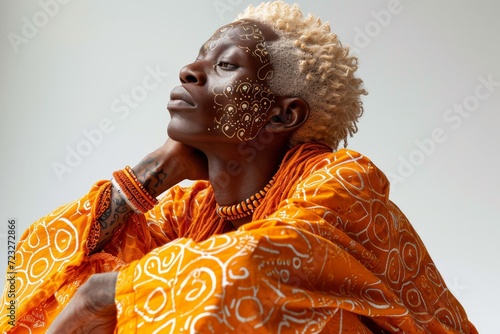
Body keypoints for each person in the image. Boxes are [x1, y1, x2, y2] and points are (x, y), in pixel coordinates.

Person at [1, 1, 476, 333]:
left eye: (226, 66)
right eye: (199, 57)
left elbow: (252, 269)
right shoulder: (196, 209)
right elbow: (24, 272)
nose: (189, 70)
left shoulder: (342, 181)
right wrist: (152, 171)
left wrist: (107, 294)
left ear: (282, 115)